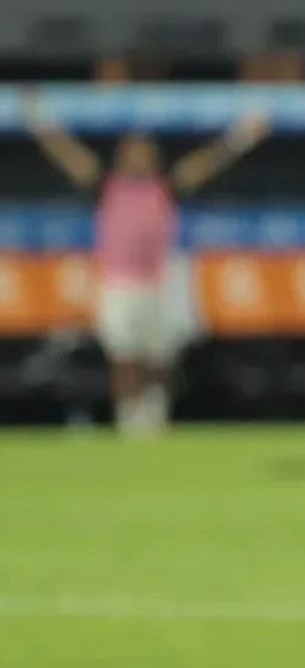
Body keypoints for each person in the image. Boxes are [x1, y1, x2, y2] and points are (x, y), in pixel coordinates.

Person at [22, 100, 270, 434]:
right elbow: (69, 155)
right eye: (132, 153)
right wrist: (39, 120)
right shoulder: (106, 187)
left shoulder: (165, 189)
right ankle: (128, 418)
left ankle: (155, 415)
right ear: (121, 157)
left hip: (159, 281)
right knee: (125, 355)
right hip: (119, 284)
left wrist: (241, 136)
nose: (139, 159)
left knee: (160, 356)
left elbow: (206, 164)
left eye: (145, 153)